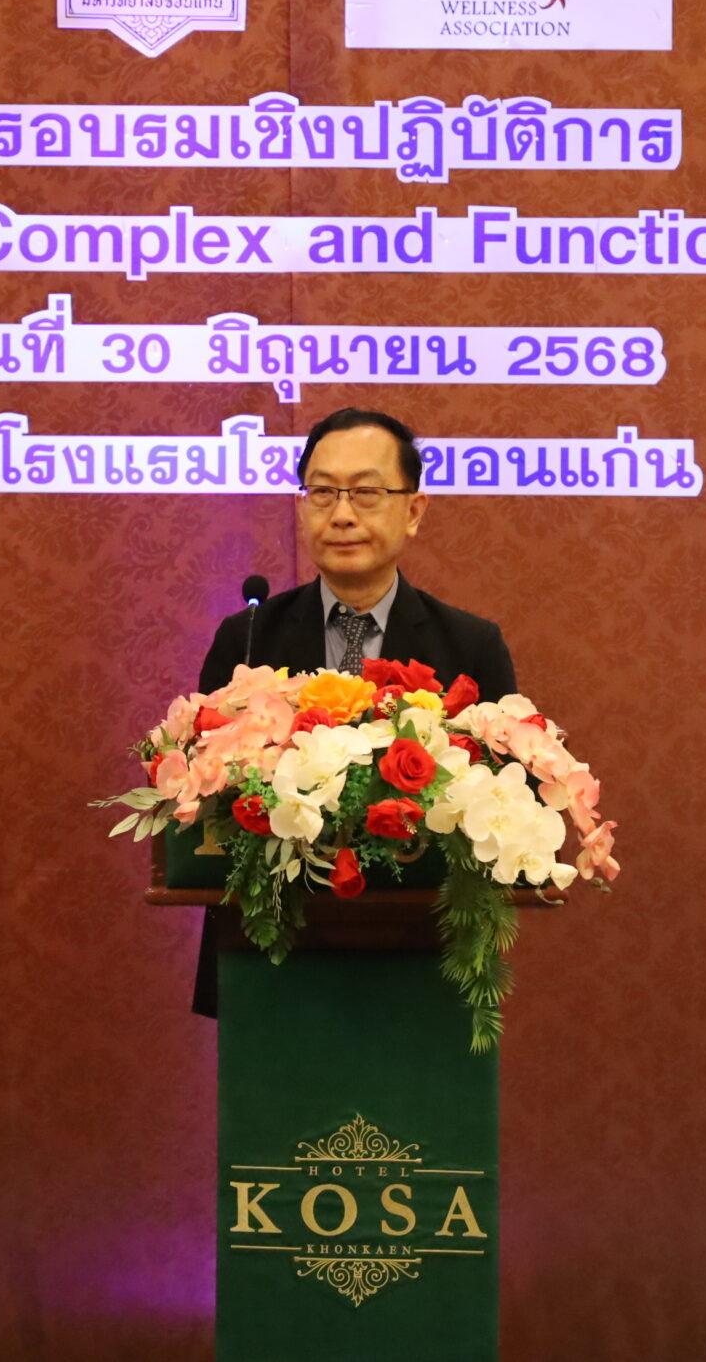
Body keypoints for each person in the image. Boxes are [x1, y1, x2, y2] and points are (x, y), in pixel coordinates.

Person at [189, 407, 517, 1018]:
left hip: (421, 958)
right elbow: (203, 799)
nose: (341, 514)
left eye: (366, 493)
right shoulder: (249, 640)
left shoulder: (469, 647)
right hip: (269, 953)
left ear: (413, 510)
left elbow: (503, 808)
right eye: (322, 492)